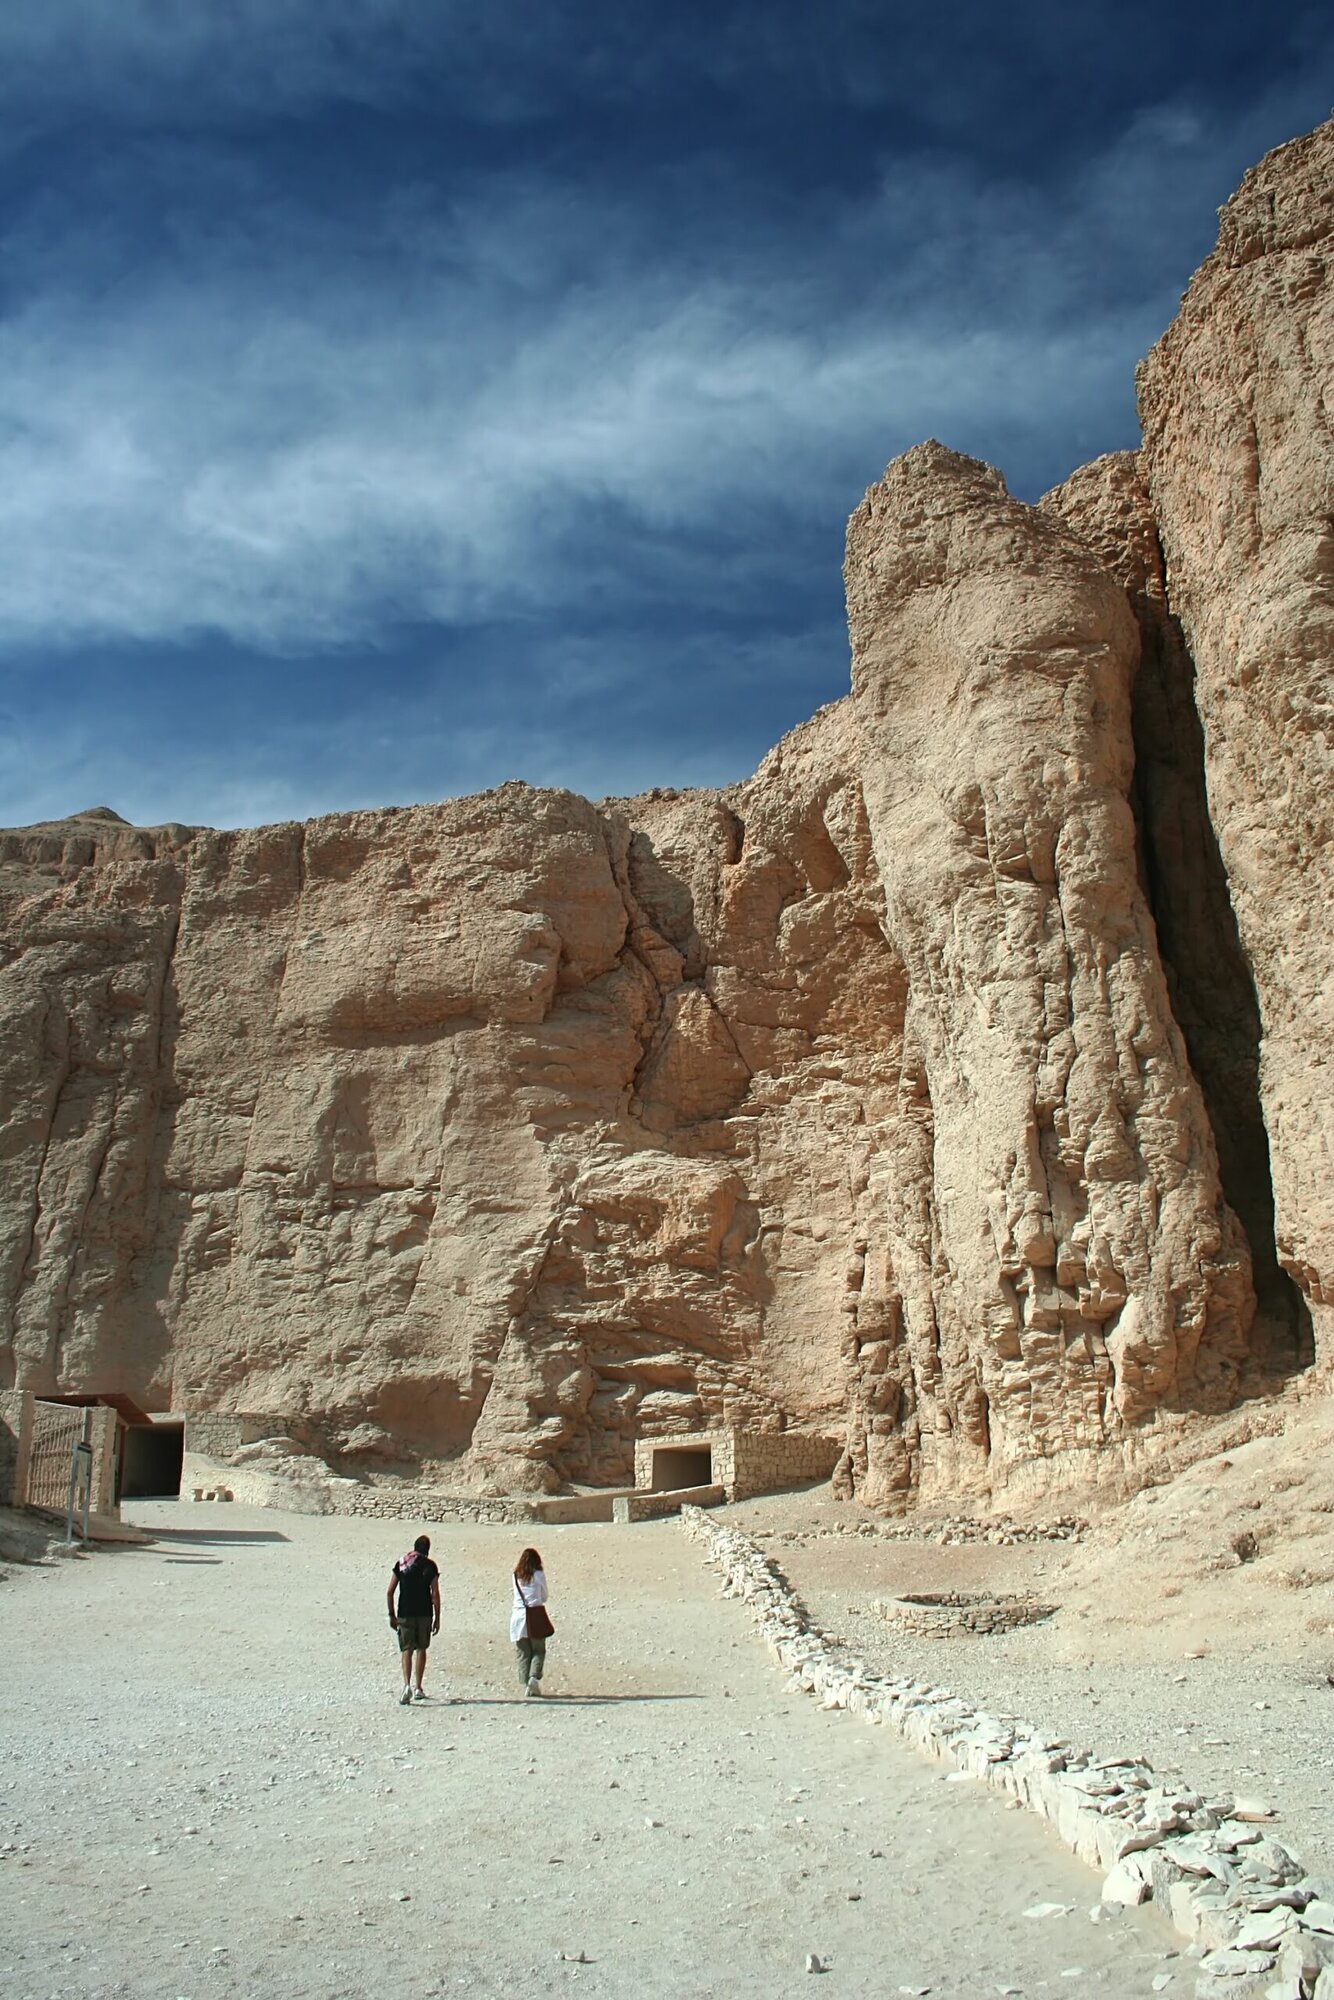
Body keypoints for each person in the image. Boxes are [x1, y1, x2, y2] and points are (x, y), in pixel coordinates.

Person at [387, 1533, 441, 1704]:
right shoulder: (430, 1566)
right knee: (421, 1649)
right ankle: (418, 1687)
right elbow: (435, 1594)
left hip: (405, 1613)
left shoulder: (402, 1563)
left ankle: (406, 1685)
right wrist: (437, 1617)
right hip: (424, 1613)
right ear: (427, 1550)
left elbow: (390, 1592)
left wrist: (391, 1614)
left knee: (406, 1650)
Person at [511, 1546, 552, 1697]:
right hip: (535, 1615)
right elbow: (544, 1596)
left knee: (523, 1652)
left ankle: (525, 1683)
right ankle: (533, 1677)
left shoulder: (516, 1575)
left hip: (518, 1616)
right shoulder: (539, 1575)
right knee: (538, 1650)